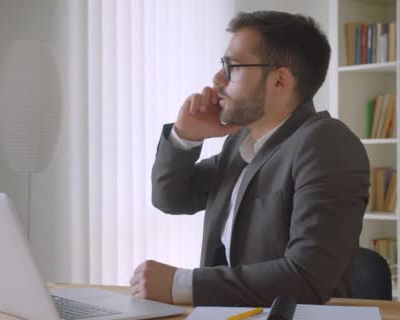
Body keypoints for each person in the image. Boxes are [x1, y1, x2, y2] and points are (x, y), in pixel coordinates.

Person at [129, 10, 370, 307]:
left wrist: (181, 283)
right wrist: (185, 136)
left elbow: (307, 278)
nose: (217, 79)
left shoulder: (326, 143)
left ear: (280, 80)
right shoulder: (241, 142)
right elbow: (171, 197)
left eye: (232, 66)